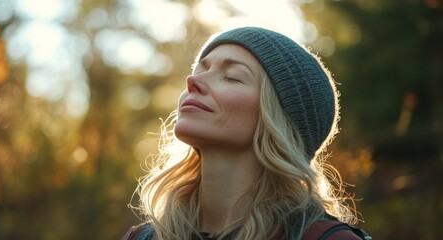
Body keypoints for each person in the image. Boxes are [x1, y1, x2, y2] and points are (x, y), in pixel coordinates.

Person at [122, 27, 370, 240]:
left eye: (232, 77)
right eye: (200, 70)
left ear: (278, 119)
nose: (192, 81)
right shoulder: (144, 237)